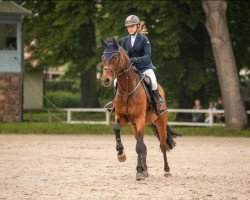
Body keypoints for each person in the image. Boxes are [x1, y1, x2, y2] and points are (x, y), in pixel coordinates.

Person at [120, 15, 167, 115]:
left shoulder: (144, 39)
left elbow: (148, 56)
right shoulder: (124, 40)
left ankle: (157, 104)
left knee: (153, 82)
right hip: (131, 69)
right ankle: (116, 104)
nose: (130, 28)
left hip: (145, 67)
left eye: (132, 26)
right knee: (116, 81)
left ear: (137, 26)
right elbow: (123, 57)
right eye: (128, 27)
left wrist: (137, 59)